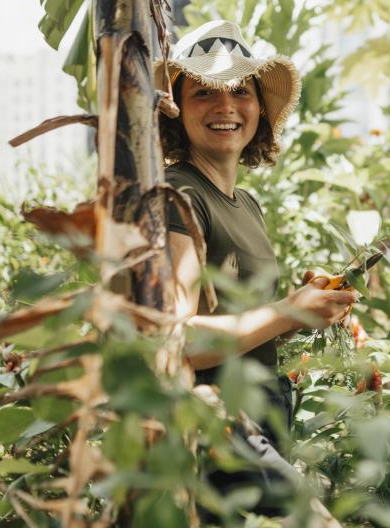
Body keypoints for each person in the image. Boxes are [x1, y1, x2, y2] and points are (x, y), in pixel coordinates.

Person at [153, 19, 357, 516]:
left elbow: (243, 326)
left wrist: (305, 307)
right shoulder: (179, 194)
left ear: (259, 108)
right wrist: (288, 310)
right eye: (203, 92)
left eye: (240, 91)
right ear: (177, 112)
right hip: (219, 418)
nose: (225, 106)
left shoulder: (243, 202)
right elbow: (174, 338)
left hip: (264, 412)